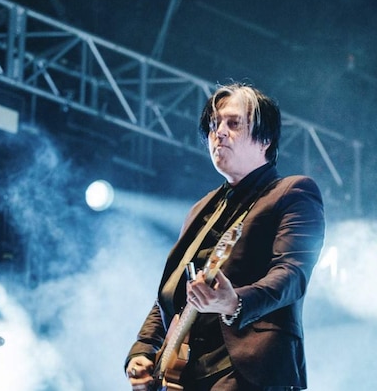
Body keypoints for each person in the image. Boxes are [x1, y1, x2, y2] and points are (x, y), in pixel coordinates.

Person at [124, 83, 325, 391]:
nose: (218, 132)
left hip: (249, 368)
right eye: (214, 124)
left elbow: (292, 275)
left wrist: (235, 302)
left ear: (265, 140)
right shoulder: (201, 209)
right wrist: (143, 349)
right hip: (189, 372)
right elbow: (173, 291)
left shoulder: (293, 192)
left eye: (233, 124)